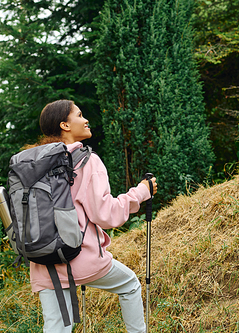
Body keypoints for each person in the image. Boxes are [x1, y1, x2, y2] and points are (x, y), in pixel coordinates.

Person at [28, 99, 158, 333]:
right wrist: (141, 193)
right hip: (79, 257)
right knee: (129, 285)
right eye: (79, 115)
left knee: (57, 327)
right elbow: (105, 214)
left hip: (43, 261)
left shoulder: (32, 163)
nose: (86, 119)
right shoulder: (87, 160)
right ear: (64, 125)